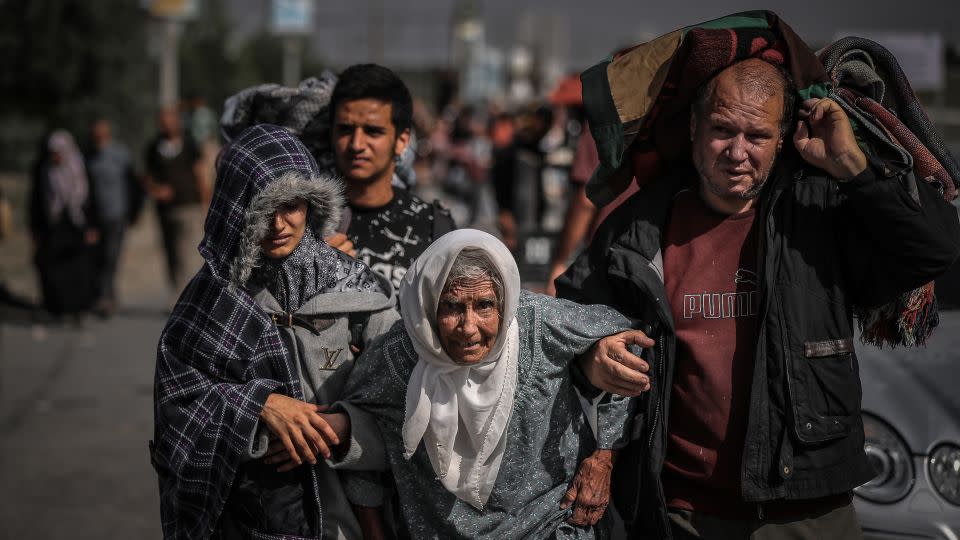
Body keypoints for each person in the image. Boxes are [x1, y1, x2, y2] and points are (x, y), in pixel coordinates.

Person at [557, 36, 960, 540]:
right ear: (695, 127)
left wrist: (854, 168)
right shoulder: (640, 229)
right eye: (723, 130)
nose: (737, 153)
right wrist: (593, 355)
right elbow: (568, 320)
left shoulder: (821, 213)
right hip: (681, 515)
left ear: (784, 136)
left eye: (758, 136)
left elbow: (934, 249)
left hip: (810, 514)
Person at [265, 229, 637, 538]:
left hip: (550, 525)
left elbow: (626, 343)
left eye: (485, 306)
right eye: (453, 308)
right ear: (428, 307)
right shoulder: (399, 358)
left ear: (504, 301)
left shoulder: (535, 324)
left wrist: (604, 456)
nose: (470, 328)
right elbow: (365, 453)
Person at [151, 125, 399, 540]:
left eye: (293, 206)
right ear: (235, 210)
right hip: (242, 523)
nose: (279, 224)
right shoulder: (208, 302)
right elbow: (176, 411)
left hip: (346, 522)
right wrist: (258, 408)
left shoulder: (357, 291)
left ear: (311, 206)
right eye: (263, 209)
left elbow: (406, 400)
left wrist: (339, 428)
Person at [330, 64, 456, 289]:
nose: (357, 144)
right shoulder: (305, 222)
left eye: (373, 131)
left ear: (401, 141)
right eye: (346, 129)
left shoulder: (433, 228)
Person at [29, 130, 100, 318]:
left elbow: (92, 200)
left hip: (78, 224)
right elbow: (36, 200)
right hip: (54, 226)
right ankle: (58, 307)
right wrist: (35, 229)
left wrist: (93, 226)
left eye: (59, 152)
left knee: (79, 268)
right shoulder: (43, 170)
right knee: (54, 268)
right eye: (53, 152)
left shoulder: (81, 168)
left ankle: (79, 307)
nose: (56, 156)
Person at [143, 106, 208, 295]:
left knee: (184, 252)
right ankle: (176, 288)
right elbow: (148, 176)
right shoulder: (154, 147)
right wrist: (156, 190)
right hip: (165, 209)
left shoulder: (189, 144)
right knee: (170, 251)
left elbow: (200, 172)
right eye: (163, 121)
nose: (166, 124)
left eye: (170, 120)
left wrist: (206, 201)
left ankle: (183, 293)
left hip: (189, 205)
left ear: (177, 122)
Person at [85, 118, 142, 316]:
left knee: (111, 256)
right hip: (95, 217)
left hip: (117, 215)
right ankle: (104, 294)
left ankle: (105, 297)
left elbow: (133, 185)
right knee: (97, 257)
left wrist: (134, 212)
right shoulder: (88, 157)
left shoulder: (121, 155)